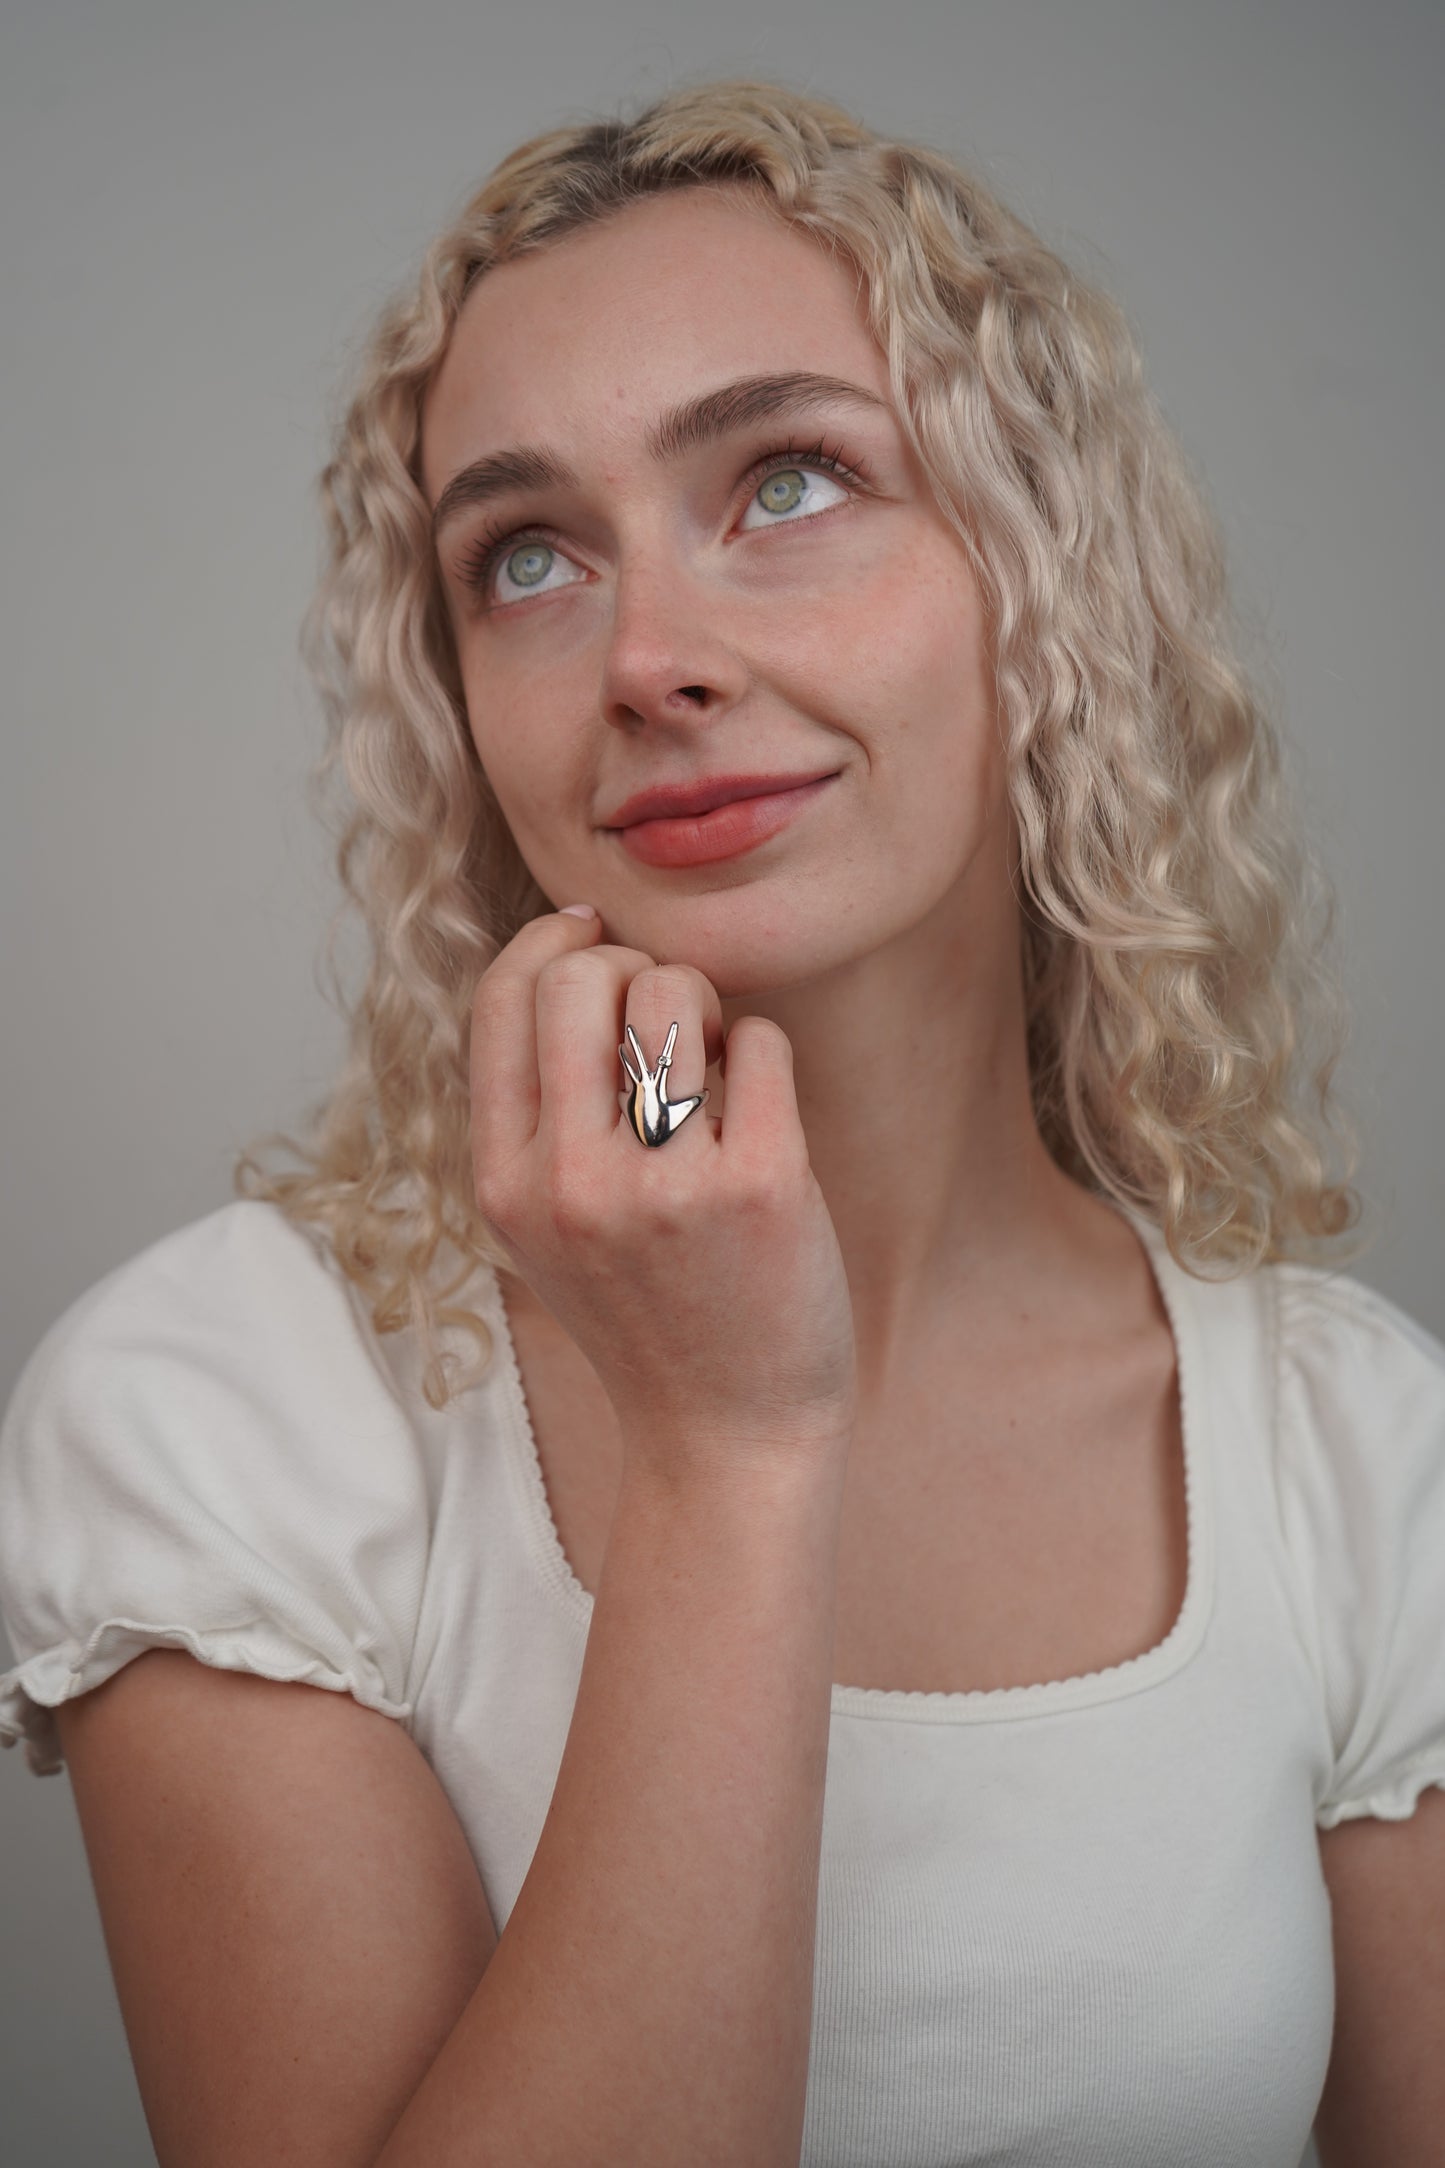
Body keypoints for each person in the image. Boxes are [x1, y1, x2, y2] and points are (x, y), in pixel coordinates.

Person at [1, 77, 1441, 2168]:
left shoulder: (1358, 1452)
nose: (649, 659)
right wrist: (731, 1443)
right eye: (527, 555)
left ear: (1039, 582)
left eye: (786, 480)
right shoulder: (232, 1410)